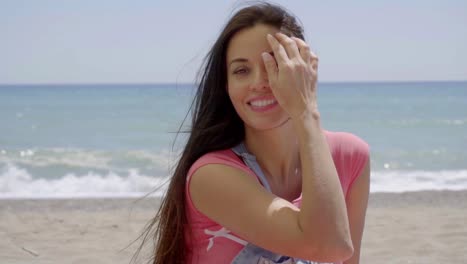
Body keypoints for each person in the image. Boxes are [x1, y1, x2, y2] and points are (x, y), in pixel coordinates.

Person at [138, 2, 370, 264]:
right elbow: (329, 246)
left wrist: (306, 113)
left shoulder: (352, 156)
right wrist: (306, 112)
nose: (259, 83)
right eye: (241, 70)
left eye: (273, 64)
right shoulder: (211, 175)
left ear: (303, 71)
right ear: (226, 86)